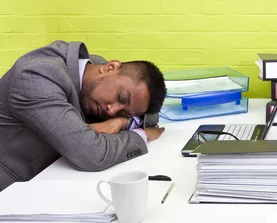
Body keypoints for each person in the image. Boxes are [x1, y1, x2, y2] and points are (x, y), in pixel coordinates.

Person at [0, 40, 167, 192]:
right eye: (121, 97)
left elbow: (151, 115)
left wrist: (121, 122)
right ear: (110, 67)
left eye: (122, 111)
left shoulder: (94, 70)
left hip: (52, 181)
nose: (111, 110)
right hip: (11, 192)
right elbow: (91, 154)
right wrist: (141, 135)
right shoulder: (36, 77)